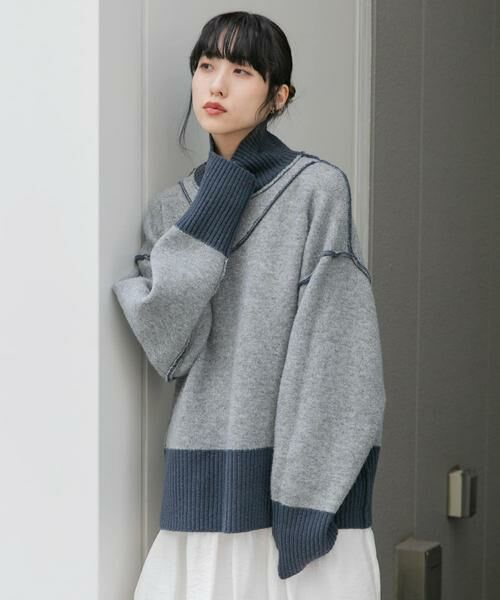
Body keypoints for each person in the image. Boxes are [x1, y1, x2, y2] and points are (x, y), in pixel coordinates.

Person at [112, 10, 386, 600]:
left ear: (278, 95)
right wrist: (217, 200)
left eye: (241, 71)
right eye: (206, 65)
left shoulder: (317, 190)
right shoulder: (173, 210)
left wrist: (310, 496)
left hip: (305, 501)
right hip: (206, 496)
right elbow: (173, 348)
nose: (216, 84)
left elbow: (338, 356)